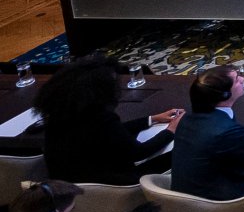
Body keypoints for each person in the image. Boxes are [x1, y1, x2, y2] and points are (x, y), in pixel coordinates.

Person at [34, 53, 181, 185]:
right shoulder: (101, 118)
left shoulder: (61, 114)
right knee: (181, 151)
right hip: (116, 187)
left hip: (69, 186)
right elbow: (138, 152)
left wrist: (151, 119)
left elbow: (114, 132)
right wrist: (170, 131)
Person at [170, 65, 244, 200]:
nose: (242, 79)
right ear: (225, 95)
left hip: (196, 191)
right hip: (218, 202)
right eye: (237, 80)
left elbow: (234, 130)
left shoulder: (189, 118)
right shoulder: (224, 131)